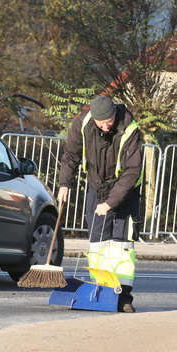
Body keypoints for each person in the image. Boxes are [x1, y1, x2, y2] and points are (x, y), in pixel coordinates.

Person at [57, 95, 143, 313]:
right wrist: (64, 183)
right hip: (97, 187)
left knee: (121, 247)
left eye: (109, 121)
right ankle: (100, 291)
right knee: (98, 243)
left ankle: (123, 297)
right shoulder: (83, 123)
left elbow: (132, 171)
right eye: (101, 122)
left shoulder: (130, 129)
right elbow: (71, 155)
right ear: (93, 118)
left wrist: (111, 203)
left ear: (115, 113)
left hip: (125, 192)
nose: (106, 126)